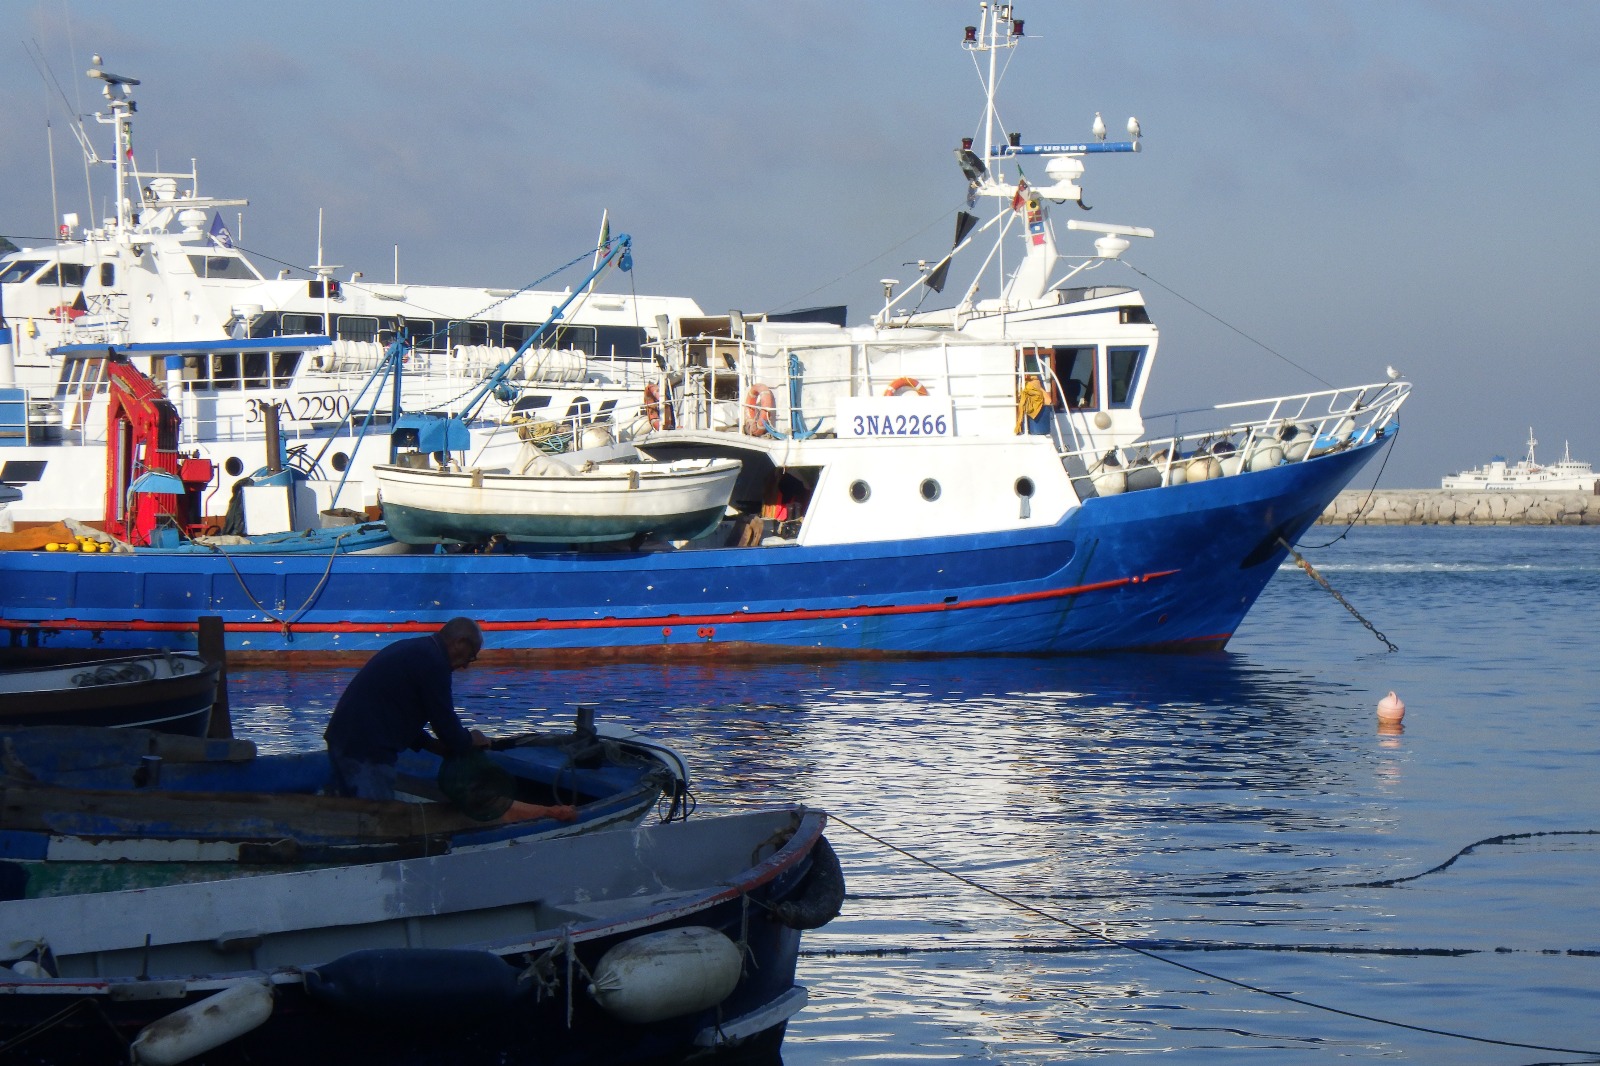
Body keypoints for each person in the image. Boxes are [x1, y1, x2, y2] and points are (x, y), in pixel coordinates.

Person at [324, 616, 491, 800]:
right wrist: (471, 739)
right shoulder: (434, 663)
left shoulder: (417, 649)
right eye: (471, 656)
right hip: (366, 750)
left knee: (351, 809)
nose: (466, 665)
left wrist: (429, 744)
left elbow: (395, 711)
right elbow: (446, 724)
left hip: (343, 738)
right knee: (375, 816)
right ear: (460, 642)